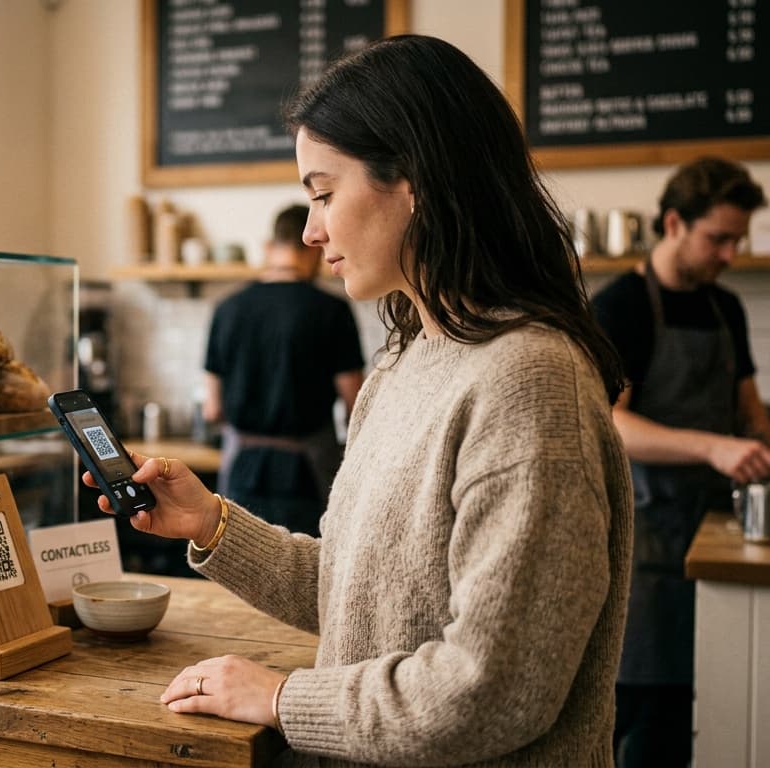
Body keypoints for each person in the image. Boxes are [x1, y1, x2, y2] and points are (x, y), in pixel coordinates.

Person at [85, 34, 633, 767]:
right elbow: (363, 597)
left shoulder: (529, 382)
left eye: (322, 192)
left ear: (413, 181)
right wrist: (212, 523)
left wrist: (282, 697)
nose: (311, 231)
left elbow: (495, 690)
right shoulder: (405, 362)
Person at [591, 157, 768, 767]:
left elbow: (748, 410)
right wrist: (713, 447)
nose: (729, 254)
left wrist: (754, 436)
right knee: (637, 717)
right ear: (673, 223)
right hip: (644, 542)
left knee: (702, 707)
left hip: (716, 529)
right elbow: (610, 422)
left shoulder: (725, 307)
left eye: (737, 240)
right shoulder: (621, 305)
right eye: (719, 238)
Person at [203, 204, 365, 535]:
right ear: (312, 248)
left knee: (237, 558)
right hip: (307, 472)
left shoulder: (226, 308)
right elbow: (357, 405)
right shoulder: (331, 310)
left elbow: (211, 408)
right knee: (305, 570)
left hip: (242, 467)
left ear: (269, 246)